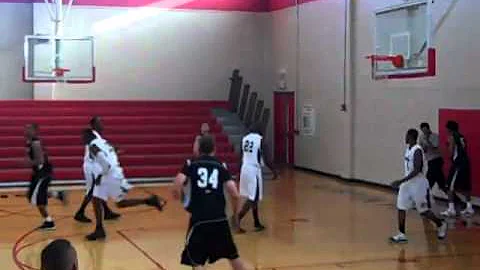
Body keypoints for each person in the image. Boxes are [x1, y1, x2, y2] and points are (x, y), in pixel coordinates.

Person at [173, 135, 246, 270]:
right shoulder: (220, 165)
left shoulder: (191, 164)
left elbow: (178, 182)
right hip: (220, 218)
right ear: (214, 149)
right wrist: (235, 214)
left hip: (199, 219)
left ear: (199, 148)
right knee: (233, 256)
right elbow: (234, 193)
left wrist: (179, 196)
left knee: (195, 259)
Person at [82, 129, 166, 241]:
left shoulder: (93, 146)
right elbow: (114, 152)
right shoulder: (103, 142)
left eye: (83, 137)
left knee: (119, 203)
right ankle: (99, 229)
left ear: (89, 137)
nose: (82, 139)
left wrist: (100, 176)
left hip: (110, 174)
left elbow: (106, 164)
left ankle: (149, 200)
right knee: (96, 198)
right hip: (114, 172)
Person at [390, 129, 447, 243]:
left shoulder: (417, 150)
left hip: (418, 184)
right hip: (407, 184)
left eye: (406, 135)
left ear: (411, 137)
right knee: (401, 207)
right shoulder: (408, 149)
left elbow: (417, 170)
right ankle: (401, 234)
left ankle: (440, 224)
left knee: (423, 211)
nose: (405, 137)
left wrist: (401, 181)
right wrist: (403, 182)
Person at [74, 116, 123, 223]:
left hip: (95, 166)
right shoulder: (90, 134)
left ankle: (106, 212)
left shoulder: (98, 137)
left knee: (99, 189)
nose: (102, 125)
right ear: (93, 125)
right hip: (91, 167)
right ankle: (80, 213)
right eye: (100, 122)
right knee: (92, 190)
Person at [236, 122, 278, 233]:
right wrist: (274, 171)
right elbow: (268, 159)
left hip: (245, 167)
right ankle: (237, 218)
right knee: (253, 197)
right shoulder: (260, 140)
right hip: (253, 170)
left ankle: (256, 222)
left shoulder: (244, 139)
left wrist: (238, 173)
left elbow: (240, 156)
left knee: (254, 196)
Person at [25, 124, 66, 230]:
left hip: (42, 174)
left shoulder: (35, 143)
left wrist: (28, 162)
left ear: (35, 131)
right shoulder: (30, 142)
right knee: (30, 195)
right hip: (39, 174)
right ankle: (57, 194)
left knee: (38, 200)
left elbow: (40, 161)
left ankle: (49, 222)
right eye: (26, 128)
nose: (27, 130)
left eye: (29, 129)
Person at [441, 121, 474, 217]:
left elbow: (451, 152)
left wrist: (447, 148)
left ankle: (451, 209)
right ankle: (469, 207)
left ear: (449, 129)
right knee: (465, 186)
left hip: (458, 164)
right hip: (466, 163)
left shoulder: (452, 137)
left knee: (449, 186)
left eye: (447, 128)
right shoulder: (461, 136)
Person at [419, 123, 448, 194]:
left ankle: (424, 196)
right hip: (430, 160)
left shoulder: (435, 136)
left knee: (429, 180)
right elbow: (421, 148)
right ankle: (455, 200)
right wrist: (423, 148)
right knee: (441, 183)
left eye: (426, 130)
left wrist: (428, 140)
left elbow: (434, 147)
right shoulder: (421, 137)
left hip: (436, 160)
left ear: (429, 129)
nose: (425, 132)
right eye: (423, 131)